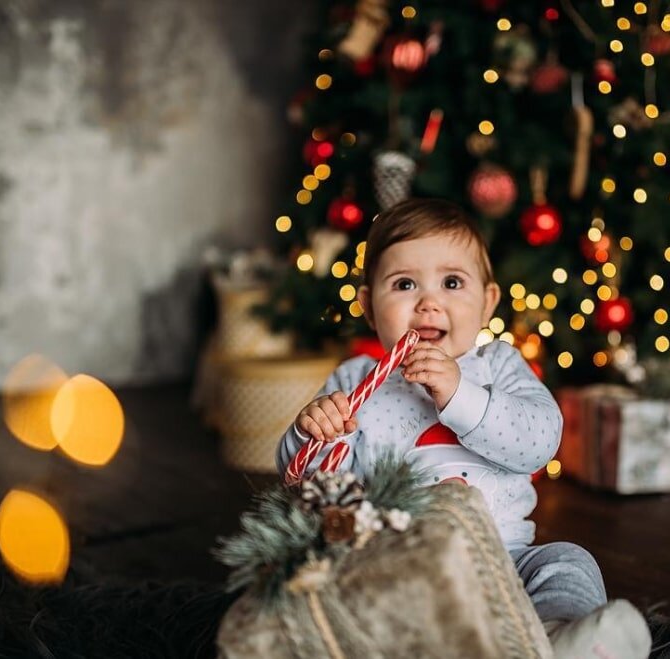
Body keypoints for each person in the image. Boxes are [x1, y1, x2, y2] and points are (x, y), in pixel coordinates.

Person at [276, 198, 651, 658]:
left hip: (507, 556)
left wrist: (461, 394)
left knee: (568, 562)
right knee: (332, 583)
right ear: (369, 307)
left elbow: (539, 441)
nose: (429, 302)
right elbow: (313, 484)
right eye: (404, 284)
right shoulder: (356, 380)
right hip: (400, 560)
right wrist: (312, 432)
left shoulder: (499, 366)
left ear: (488, 301)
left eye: (452, 282)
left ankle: (559, 637)